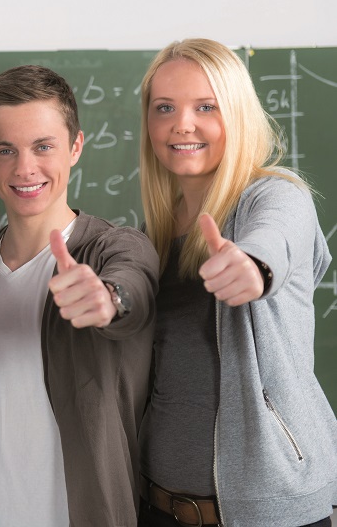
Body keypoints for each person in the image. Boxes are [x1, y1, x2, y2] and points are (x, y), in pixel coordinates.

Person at [0, 65, 160, 526]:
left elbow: (133, 287)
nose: (25, 168)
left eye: (44, 146)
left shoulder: (113, 248)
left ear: (76, 147)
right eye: (6, 150)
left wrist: (106, 300)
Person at [137, 38, 337, 527]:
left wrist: (252, 267)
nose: (182, 123)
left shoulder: (274, 196)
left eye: (206, 106)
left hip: (270, 511)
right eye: (165, 107)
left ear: (238, 114)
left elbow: (275, 242)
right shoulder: (154, 235)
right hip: (160, 504)